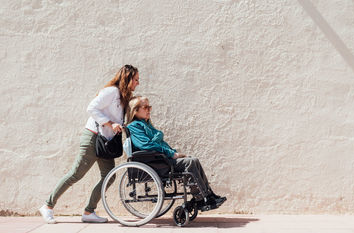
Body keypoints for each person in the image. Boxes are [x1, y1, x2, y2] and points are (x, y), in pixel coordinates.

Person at [39, 65, 139, 224]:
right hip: (93, 138)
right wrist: (110, 123)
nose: (137, 83)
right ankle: (48, 206)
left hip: (106, 142)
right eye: (135, 80)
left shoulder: (123, 96)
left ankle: (89, 211)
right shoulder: (111, 92)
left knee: (109, 176)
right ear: (127, 79)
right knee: (76, 174)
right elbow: (91, 108)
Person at [126, 96, 226, 210]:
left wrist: (170, 150)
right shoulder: (134, 126)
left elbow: (156, 143)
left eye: (150, 107)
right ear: (135, 110)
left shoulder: (146, 124)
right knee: (189, 163)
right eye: (145, 107)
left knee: (194, 160)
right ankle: (201, 198)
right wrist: (171, 153)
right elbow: (147, 145)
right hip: (155, 162)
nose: (149, 109)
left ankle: (208, 195)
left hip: (161, 159)